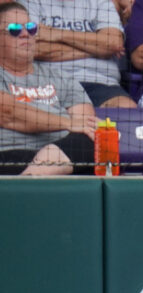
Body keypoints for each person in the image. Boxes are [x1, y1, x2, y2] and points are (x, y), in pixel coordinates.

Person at [0, 1, 96, 175]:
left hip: (62, 159)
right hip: (9, 156)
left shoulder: (61, 77)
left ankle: (28, 182)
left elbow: (85, 124)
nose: (25, 35)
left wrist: (75, 126)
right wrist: (68, 123)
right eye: (15, 30)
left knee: (89, 140)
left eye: (30, 28)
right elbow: (7, 113)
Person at [22, 0, 137, 108]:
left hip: (100, 82)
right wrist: (97, 48)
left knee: (127, 108)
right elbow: (33, 49)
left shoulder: (101, 2)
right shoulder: (31, 2)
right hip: (48, 83)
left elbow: (113, 43)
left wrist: (56, 34)